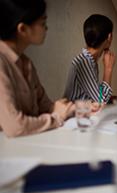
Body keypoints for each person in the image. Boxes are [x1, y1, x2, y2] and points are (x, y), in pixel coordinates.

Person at [0, 0, 74, 137]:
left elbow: (46, 106)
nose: (46, 28)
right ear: (22, 29)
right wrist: (57, 117)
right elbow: (15, 126)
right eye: (43, 23)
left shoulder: (26, 63)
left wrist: (78, 108)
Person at [64, 14, 115, 106]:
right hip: (74, 117)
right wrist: (108, 69)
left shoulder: (90, 60)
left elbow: (95, 95)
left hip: (84, 113)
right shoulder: (84, 62)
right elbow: (100, 100)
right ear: (109, 37)